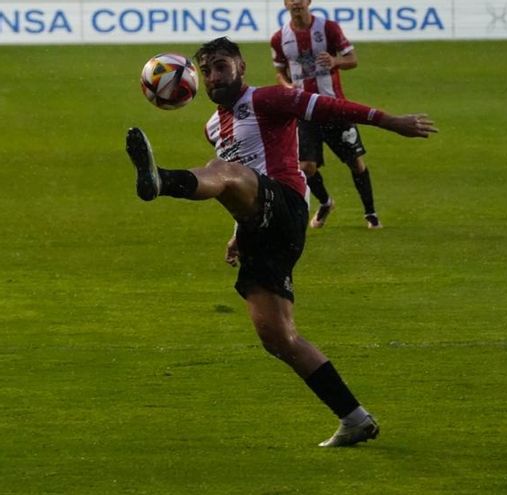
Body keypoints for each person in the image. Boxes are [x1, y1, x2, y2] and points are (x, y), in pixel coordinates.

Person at [124, 37, 437, 447]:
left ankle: (161, 180)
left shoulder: (269, 98)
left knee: (220, 169)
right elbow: (241, 178)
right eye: (207, 71)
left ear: (241, 65)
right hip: (261, 228)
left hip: (286, 205)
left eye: (221, 66)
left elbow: (330, 108)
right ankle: (355, 419)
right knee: (278, 338)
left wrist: (390, 121)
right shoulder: (213, 126)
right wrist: (238, 233)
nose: (215, 77)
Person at [271, 0, 382, 229]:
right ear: (285, 4)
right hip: (304, 111)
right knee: (305, 167)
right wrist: (286, 86)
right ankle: (325, 202)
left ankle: (370, 213)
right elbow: (280, 72)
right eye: (291, 0)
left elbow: (352, 59)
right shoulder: (279, 38)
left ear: (309, 1)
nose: (296, 3)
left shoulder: (328, 28)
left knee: (355, 163)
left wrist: (335, 61)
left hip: (335, 108)